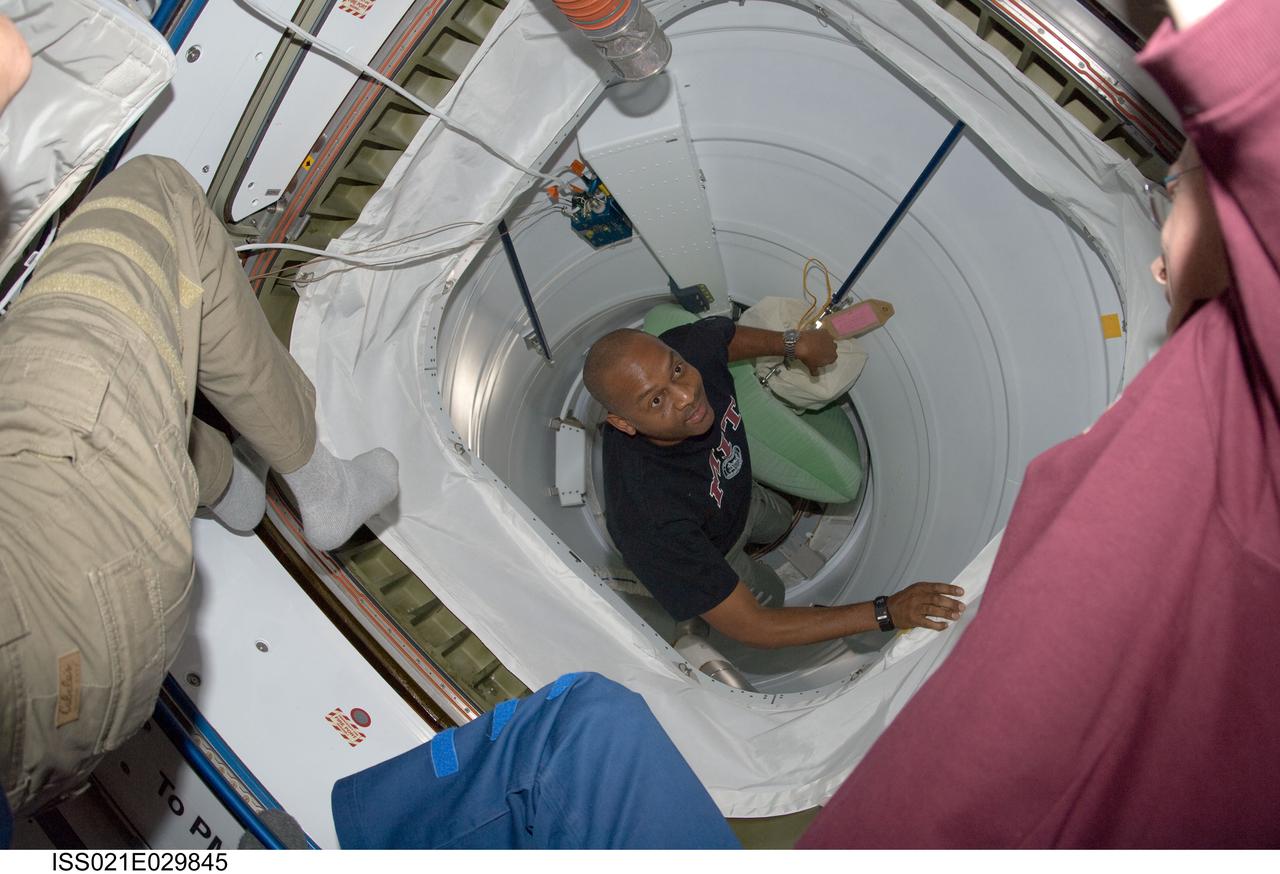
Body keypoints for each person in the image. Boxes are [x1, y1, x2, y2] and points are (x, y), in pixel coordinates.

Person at [799, 0, 1280, 848]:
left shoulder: (1235, 412)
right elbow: (741, 619)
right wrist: (877, 613)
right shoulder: (1221, 400)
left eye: (1174, 182)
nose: (1157, 254)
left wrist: (804, 340)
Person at [0, 21, 400, 817]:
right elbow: (10, 56)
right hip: (57, 619)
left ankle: (229, 490)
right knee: (157, 198)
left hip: (41, 765)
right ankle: (320, 486)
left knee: (131, 417)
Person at [583, 317, 965, 649]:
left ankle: (764, 517)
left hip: (738, 490)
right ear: (623, 424)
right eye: (655, 401)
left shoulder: (680, 350)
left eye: (678, 371)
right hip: (718, 546)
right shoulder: (648, 520)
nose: (687, 397)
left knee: (779, 518)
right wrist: (885, 612)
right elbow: (754, 627)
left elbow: (721, 338)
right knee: (770, 593)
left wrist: (794, 344)